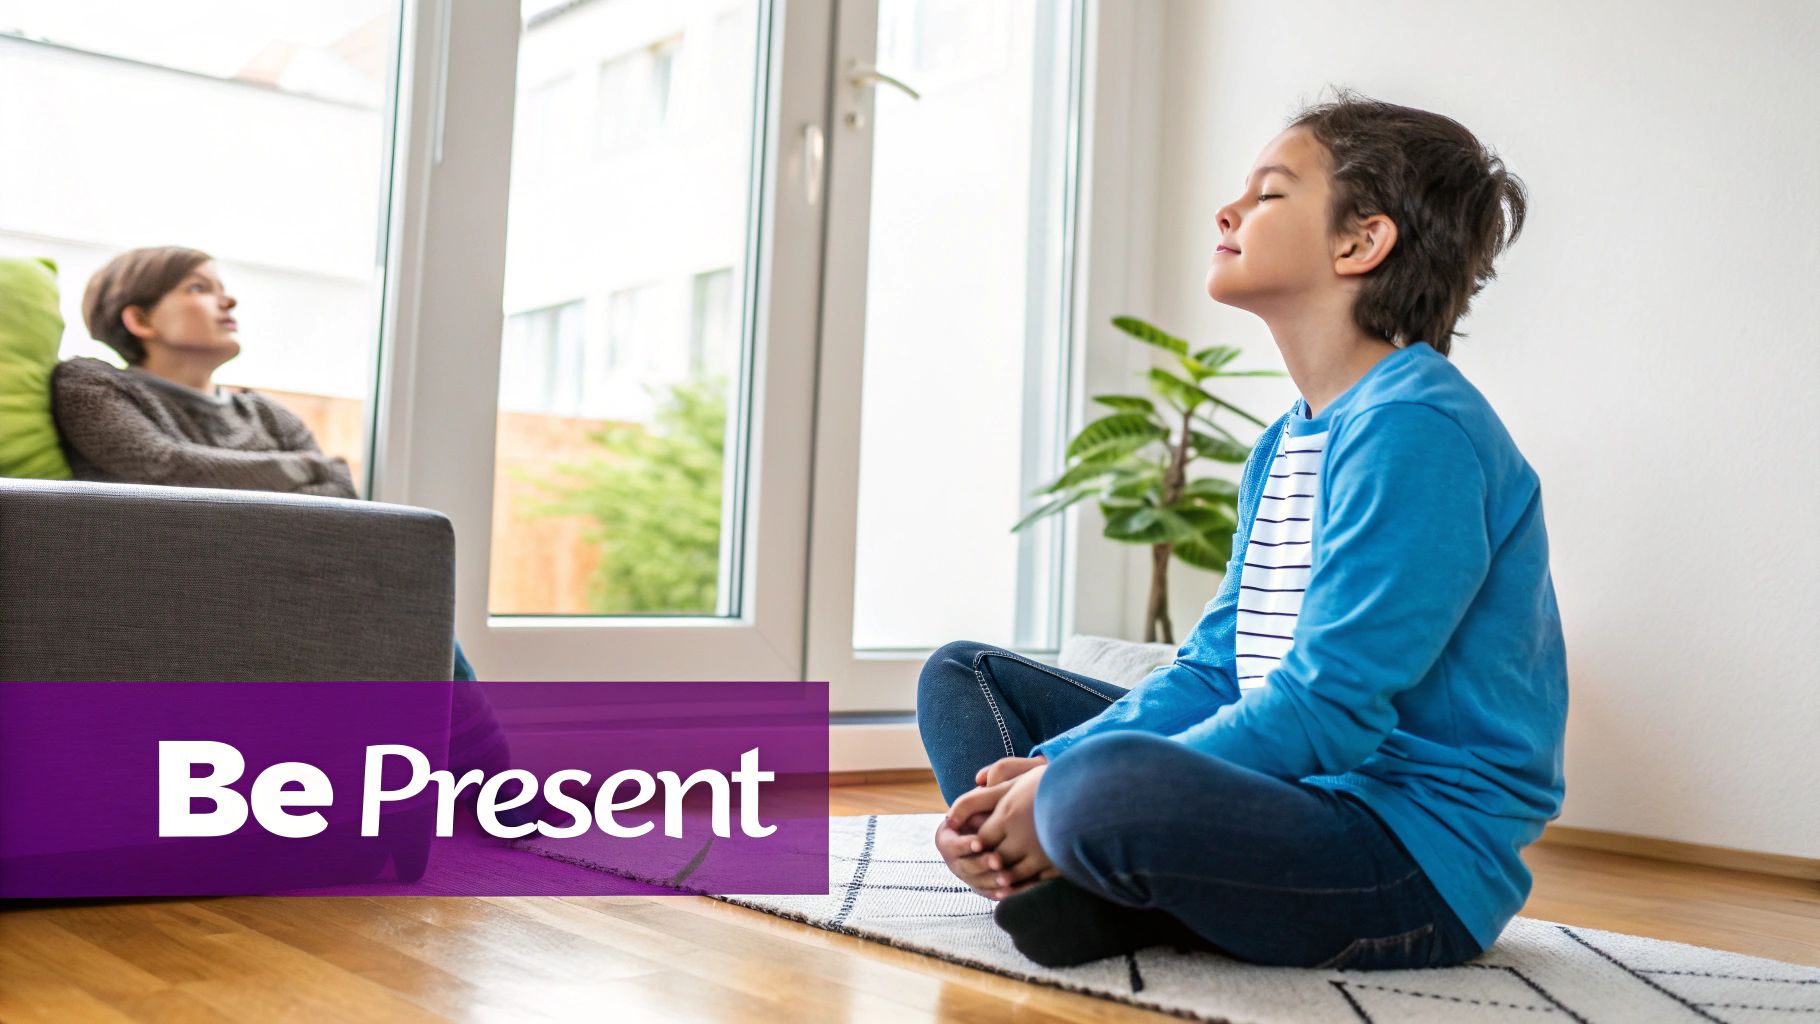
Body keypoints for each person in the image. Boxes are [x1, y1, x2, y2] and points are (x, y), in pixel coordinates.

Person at [917, 87, 1566, 971]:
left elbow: (1329, 711)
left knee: (1101, 791)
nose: (1227, 210)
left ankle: (1094, 865)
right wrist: (1038, 773)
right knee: (964, 675)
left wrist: (1070, 783)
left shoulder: (1419, 429)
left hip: (1402, 855)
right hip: (1287, 785)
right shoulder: (1290, 438)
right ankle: (1079, 870)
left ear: (1360, 241)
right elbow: (1219, 668)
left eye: (1267, 193)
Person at [52, 245, 488, 698]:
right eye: (199, 288)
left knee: (401, 579)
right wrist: (302, 469)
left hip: (292, 581)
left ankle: (466, 750)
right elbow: (161, 466)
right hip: (174, 585)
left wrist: (277, 479)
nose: (229, 301)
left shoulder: (265, 413)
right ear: (140, 320)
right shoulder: (91, 384)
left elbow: (340, 496)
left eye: (224, 288)